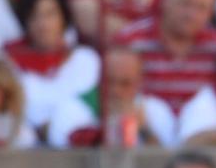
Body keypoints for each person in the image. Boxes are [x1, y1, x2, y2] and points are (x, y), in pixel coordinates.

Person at [116, 0, 216, 114]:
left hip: (202, 126)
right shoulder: (130, 41)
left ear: (211, 13)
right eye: (185, 3)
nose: (191, 15)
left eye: (201, 8)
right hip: (144, 122)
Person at [5, 0, 99, 137]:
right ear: (25, 21)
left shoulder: (85, 59)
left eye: (50, 14)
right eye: (34, 16)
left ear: (63, 18)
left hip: (79, 142)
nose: (43, 24)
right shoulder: (8, 63)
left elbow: (88, 108)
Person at [47, 45, 176, 148]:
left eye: (125, 83)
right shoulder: (73, 108)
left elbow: (168, 160)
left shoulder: (156, 110)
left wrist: (143, 129)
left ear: (139, 82)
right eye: (109, 81)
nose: (115, 91)